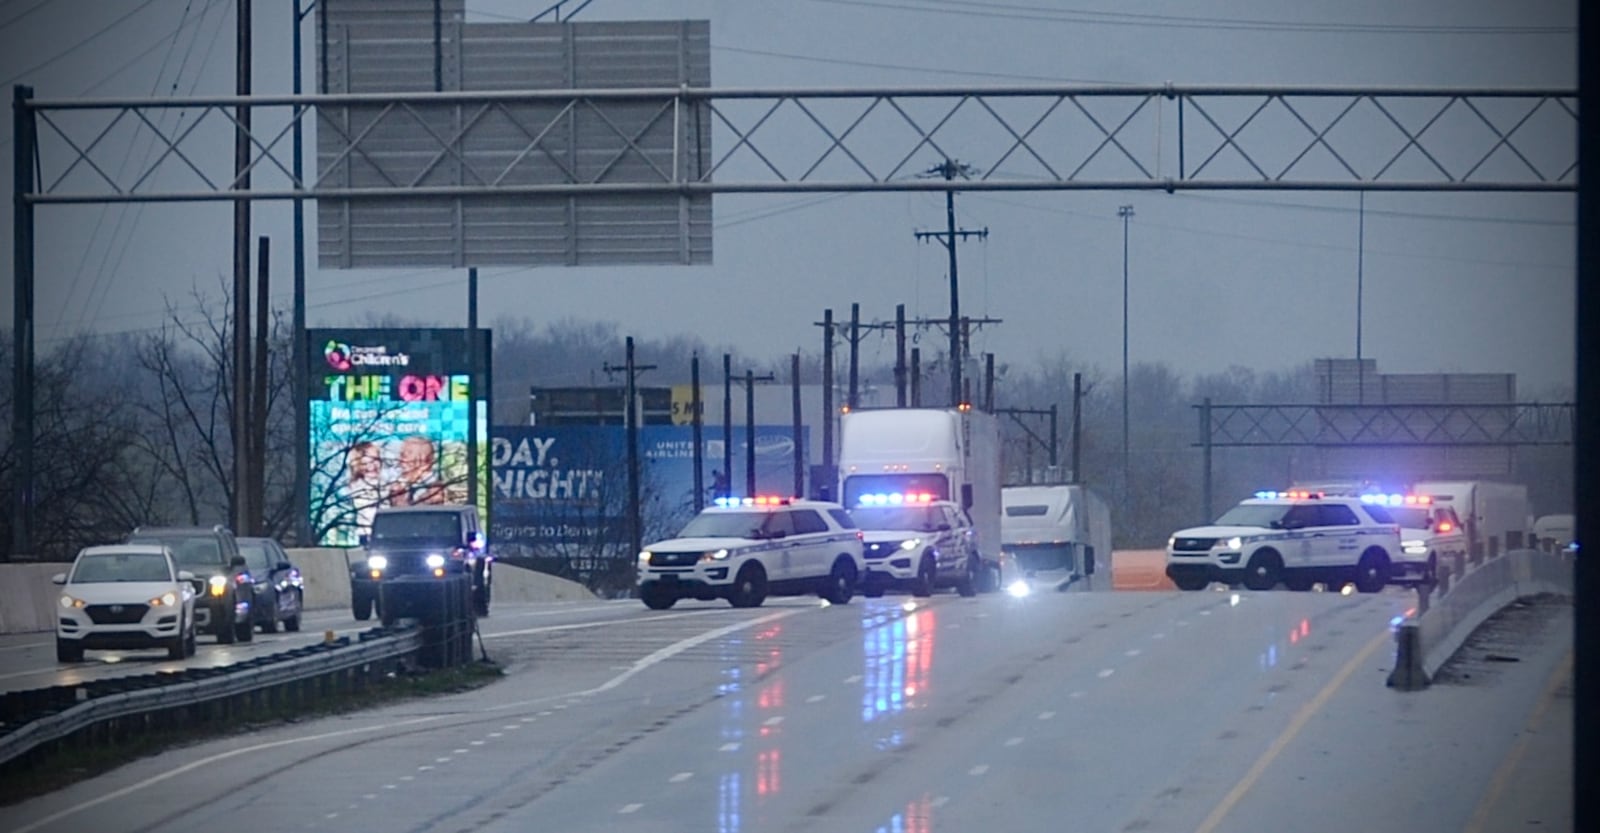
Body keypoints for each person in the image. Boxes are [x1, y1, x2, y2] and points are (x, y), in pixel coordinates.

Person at [343, 440, 388, 541]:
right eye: (365, 463)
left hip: (385, 532)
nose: (371, 466)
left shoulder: (385, 483)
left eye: (375, 460)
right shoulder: (357, 486)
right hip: (367, 533)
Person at [389, 435, 446, 506]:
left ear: (423, 460)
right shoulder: (399, 484)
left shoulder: (434, 486)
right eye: (401, 454)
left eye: (405, 455)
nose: (400, 460)